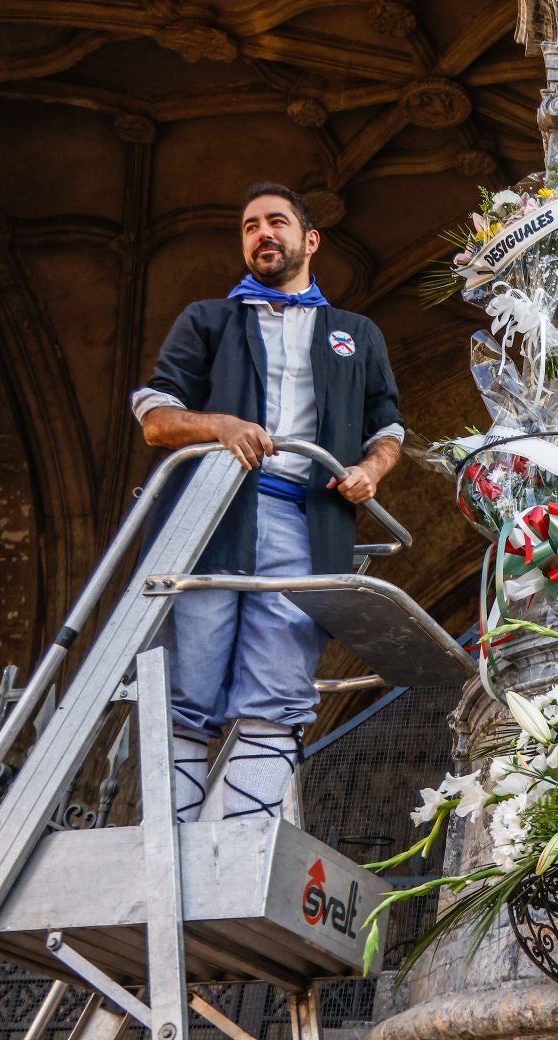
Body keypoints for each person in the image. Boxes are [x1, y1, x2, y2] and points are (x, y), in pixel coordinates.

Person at [133, 183, 403, 819]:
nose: (262, 235)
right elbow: (154, 415)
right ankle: (169, 843)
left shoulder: (355, 334)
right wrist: (219, 426)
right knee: (188, 684)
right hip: (210, 518)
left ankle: (244, 841)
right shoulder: (209, 319)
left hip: (304, 525)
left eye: (276, 222)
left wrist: (371, 471)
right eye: (250, 226)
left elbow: (388, 428)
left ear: (309, 240)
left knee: (278, 686)